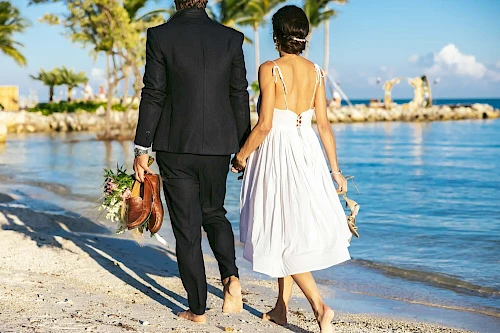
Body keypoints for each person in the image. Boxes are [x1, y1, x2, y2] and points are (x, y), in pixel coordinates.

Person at [232, 5, 351, 333]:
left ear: (276, 36)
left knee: (281, 235)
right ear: (304, 37)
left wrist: (241, 156)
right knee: (289, 230)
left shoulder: (269, 69)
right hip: (307, 151)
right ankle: (281, 308)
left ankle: (319, 306)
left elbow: (265, 125)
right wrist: (336, 171)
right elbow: (324, 126)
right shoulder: (316, 72)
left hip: (277, 152)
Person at [132, 0, 250, 324]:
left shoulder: (160, 36)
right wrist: (244, 149)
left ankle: (198, 309)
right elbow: (240, 94)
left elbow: (153, 93)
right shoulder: (231, 38)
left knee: (186, 230)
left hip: (175, 146)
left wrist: (142, 148)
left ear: (176, 1)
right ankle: (231, 277)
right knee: (214, 213)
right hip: (219, 146)